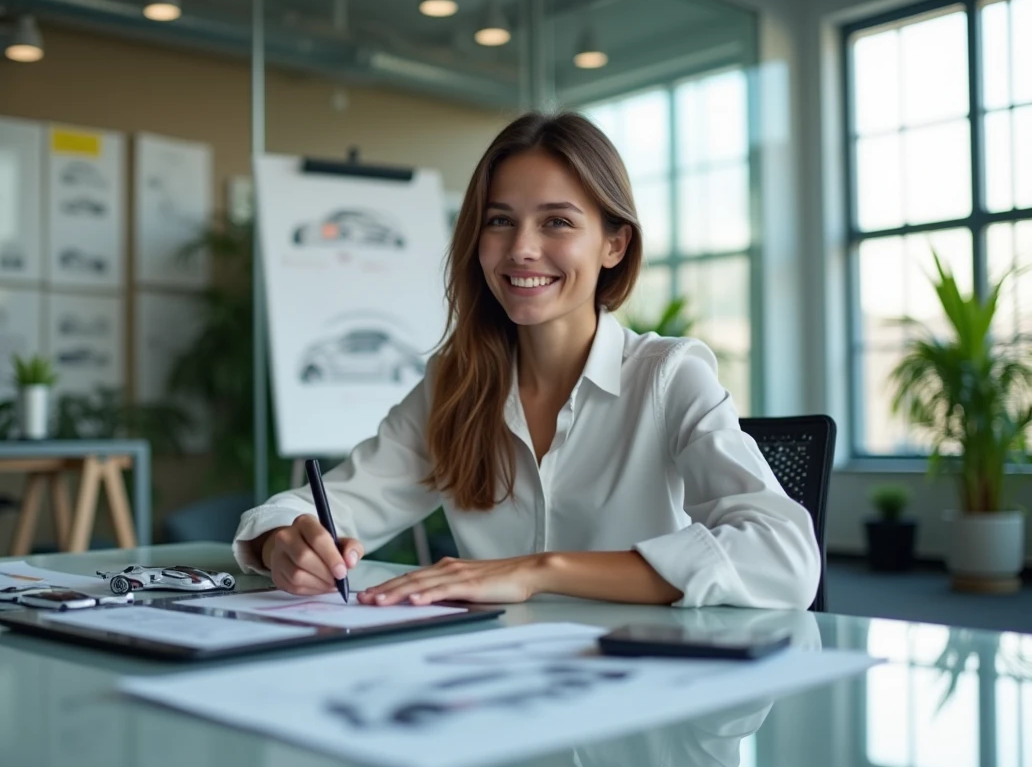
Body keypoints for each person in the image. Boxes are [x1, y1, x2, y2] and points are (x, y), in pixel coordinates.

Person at [234, 111, 819, 610]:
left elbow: (783, 554)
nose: (521, 249)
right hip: (498, 692)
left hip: (641, 704)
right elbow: (327, 507)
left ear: (614, 244)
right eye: (500, 221)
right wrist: (283, 541)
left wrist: (538, 570)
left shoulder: (669, 376)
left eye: (557, 222)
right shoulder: (455, 387)